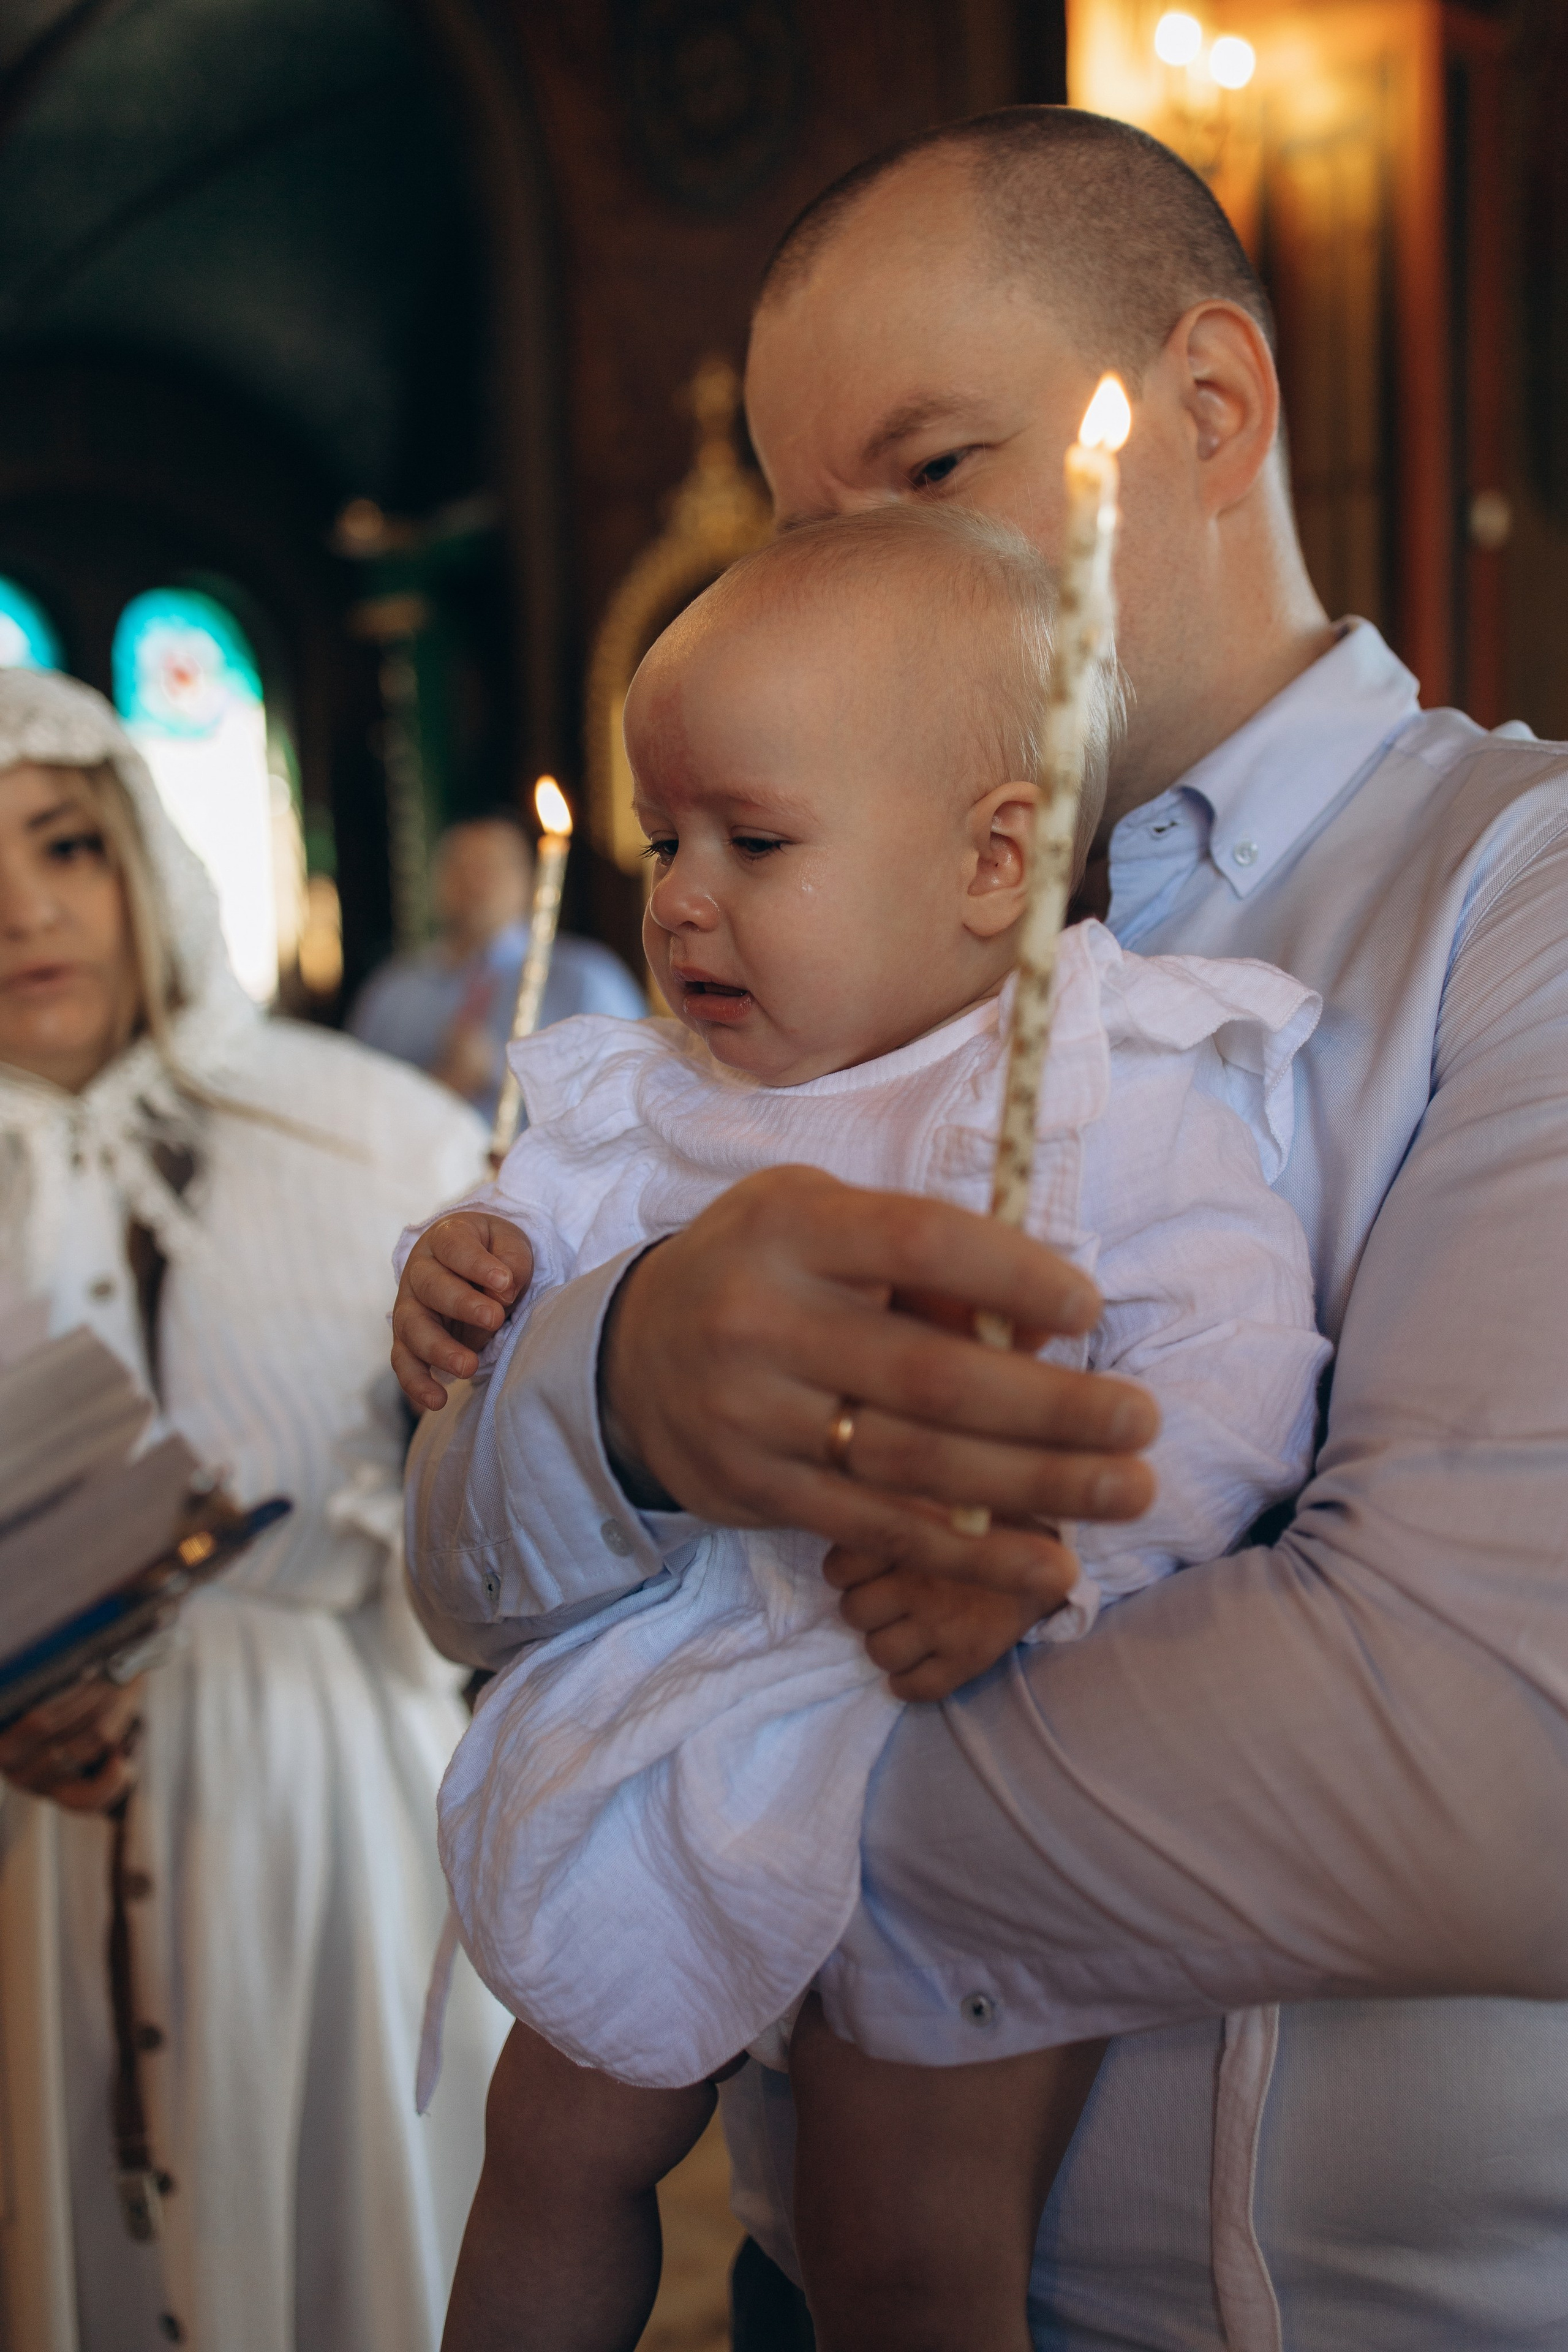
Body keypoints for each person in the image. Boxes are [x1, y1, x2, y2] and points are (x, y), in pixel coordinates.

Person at [395, 108, 1568, 2352]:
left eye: (923, 473)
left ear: (1202, 413)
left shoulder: (1508, 898)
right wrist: (614, 1382)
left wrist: (701, 1829)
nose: (851, 576)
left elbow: (1484, 1735)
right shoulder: (782, 952)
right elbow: (457, 1579)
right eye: (804, 521)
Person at [394, 504, 1328, 2352]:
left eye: (753, 840)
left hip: (966, 1721)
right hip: (692, 1715)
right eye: (669, 841)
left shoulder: (1105, 1086)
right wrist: (458, 1280)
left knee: (900, 2233)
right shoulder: (648, 1101)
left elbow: (1232, 1375)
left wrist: (1056, 1566)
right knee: (553, 2135)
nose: (677, 895)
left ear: (992, 858)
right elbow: (532, 1323)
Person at [0, 668, 508, 2352]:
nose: (23, 907)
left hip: (318, 1817)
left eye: (65, 845)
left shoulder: (360, 1133)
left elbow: (507, 1520)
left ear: (146, 861)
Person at [350, 811, 645, 1121]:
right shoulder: (393, 992)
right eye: (460, 869)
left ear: (530, 880)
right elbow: (355, 1103)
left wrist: (500, 1071)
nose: (476, 884)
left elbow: (632, 1094)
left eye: (491, 869)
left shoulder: (587, 979)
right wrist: (439, 1083)